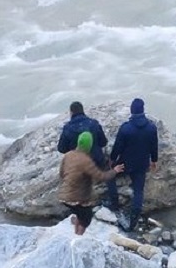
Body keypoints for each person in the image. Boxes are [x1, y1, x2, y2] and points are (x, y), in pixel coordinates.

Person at [58, 131, 124, 235]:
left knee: (80, 215)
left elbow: (62, 173)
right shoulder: (86, 160)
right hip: (77, 198)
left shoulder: (68, 155)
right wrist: (114, 171)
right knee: (86, 220)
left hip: (64, 195)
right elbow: (101, 176)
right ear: (89, 145)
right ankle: (77, 240)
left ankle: (75, 233)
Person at [58, 101, 118, 210]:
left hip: (78, 162)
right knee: (108, 174)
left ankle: (79, 205)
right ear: (83, 111)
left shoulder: (67, 128)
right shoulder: (93, 123)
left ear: (71, 113)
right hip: (96, 159)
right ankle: (114, 203)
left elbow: (61, 149)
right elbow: (103, 142)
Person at [110, 98, 159, 231]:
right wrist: (154, 160)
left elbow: (117, 148)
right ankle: (133, 221)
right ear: (143, 110)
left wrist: (112, 161)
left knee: (109, 176)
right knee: (139, 192)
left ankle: (114, 205)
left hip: (125, 164)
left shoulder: (126, 128)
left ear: (131, 111)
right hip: (141, 165)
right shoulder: (151, 128)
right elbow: (154, 146)